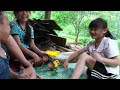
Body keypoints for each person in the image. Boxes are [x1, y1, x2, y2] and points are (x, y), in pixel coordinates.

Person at [0, 11, 37, 79]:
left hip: (25, 55)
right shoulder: (14, 26)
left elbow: (7, 69)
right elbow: (18, 45)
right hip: (21, 55)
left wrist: (16, 76)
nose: (10, 28)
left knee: (32, 70)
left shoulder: (2, 48)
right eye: (8, 24)